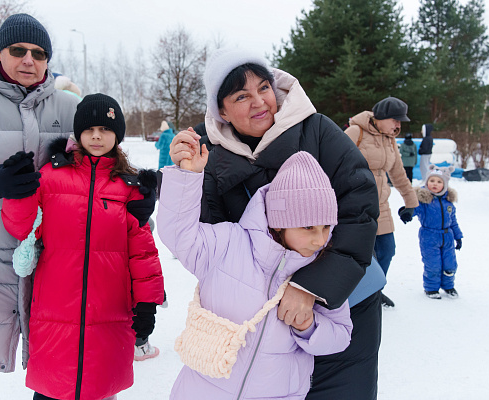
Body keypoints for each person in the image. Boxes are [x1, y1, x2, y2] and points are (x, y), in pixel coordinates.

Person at [0, 14, 155, 400]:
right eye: (19, 50)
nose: (29, 60)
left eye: (39, 53)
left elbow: (100, 165)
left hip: (59, 264)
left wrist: (137, 199)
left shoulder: (68, 106)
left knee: (68, 373)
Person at [169, 48, 379, 400]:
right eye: (242, 96)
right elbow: (204, 238)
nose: (259, 102)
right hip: (269, 317)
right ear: (221, 111)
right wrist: (186, 176)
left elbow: (359, 207)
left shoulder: (316, 130)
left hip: (342, 297)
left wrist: (312, 286)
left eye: (264, 88)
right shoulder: (211, 156)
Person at [2, 94, 164, 399]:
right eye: (89, 130)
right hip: (55, 310)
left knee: (99, 386)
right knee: (52, 387)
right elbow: (22, 227)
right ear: (78, 134)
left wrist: (147, 303)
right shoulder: (51, 176)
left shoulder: (129, 188)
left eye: (105, 129)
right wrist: (17, 191)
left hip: (109, 312)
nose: (97, 136)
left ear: (118, 135)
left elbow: (143, 253)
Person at [158, 148, 352, 399]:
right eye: (308, 227)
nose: (320, 240)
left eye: (326, 227)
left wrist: (309, 327)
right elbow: (179, 235)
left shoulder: (320, 270)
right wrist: (188, 176)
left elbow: (341, 335)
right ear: (279, 222)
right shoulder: (227, 244)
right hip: (202, 390)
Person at [345, 96, 419, 308]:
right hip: (356, 205)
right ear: (381, 117)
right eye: (395, 120)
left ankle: (375, 291)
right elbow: (333, 163)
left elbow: (399, 174)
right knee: (362, 254)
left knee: (387, 250)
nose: (398, 125)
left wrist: (411, 203)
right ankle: (355, 296)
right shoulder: (355, 132)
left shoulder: (390, 140)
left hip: (381, 206)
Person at [403, 164, 463, 299]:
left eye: (439, 182)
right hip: (429, 237)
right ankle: (431, 288)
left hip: (447, 237)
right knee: (433, 264)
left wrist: (458, 236)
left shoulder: (448, 202)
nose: (435, 184)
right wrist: (407, 212)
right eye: (432, 181)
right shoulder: (423, 201)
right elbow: (414, 209)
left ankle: (448, 286)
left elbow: (453, 221)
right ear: (427, 182)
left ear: (445, 185)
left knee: (450, 265)